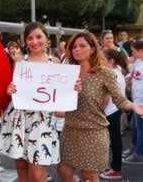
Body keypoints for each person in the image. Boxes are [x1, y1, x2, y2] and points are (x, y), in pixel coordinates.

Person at [57, 32, 143, 182]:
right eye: (74, 47)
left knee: (89, 176)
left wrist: (133, 106)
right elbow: (55, 101)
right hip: (70, 131)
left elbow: (120, 100)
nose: (77, 49)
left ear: (92, 49)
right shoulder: (67, 74)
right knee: (63, 171)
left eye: (82, 46)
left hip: (94, 132)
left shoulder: (105, 73)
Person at [0, 22, 60, 182]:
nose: (34, 41)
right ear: (25, 41)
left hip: (43, 121)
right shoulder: (19, 60)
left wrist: (73, 89)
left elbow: (60, 94)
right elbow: (14, 91)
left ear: (47, 39)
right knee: (22, 170)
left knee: (38, 175)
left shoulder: (56, 62)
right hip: (19, 120)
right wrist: (9, 90)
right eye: (30, 38)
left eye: (39, 37)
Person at [100, 49, 128, 179]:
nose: (99, 61)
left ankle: (116, 169)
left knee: (113, 141)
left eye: (102, 59)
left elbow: (106, 97)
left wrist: (99, 111)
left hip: (110, 112)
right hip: (114, 110)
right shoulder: (117, 72)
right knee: (113, 140)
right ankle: (112, 167)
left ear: (110, 61)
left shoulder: (112, 73)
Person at [124, 40, 143, 164]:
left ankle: (139, 154)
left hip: (142, 102)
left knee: (140, 129)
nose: (132, 54)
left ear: (141, 51)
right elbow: (130, 75)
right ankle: (135, 148)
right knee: (136, 128)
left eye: (133, 51)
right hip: (136, 101)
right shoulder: (138, 62)